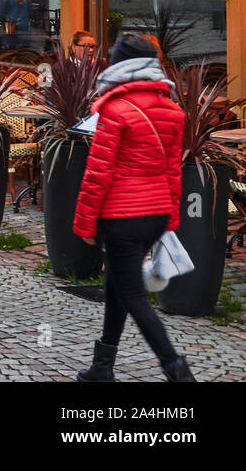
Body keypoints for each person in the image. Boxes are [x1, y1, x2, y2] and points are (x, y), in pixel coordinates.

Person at [74, 33, 193, 382]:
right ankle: (102, 367)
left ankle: (177, 370)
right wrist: (170, 217)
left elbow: (98, 173)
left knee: (133, 296)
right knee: (117, 284)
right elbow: (173, 170)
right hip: (153, 214)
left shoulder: (114, 109)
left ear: (119, 65)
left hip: (122, 216)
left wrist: (84, 224)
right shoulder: (172, 111)